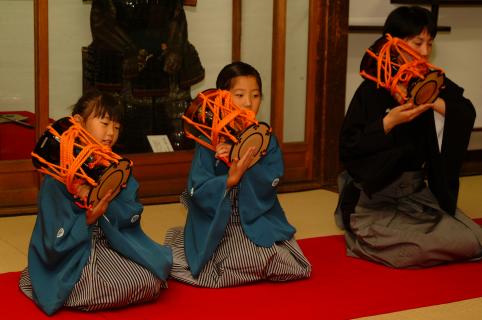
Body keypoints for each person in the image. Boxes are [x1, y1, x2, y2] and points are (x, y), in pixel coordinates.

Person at [335, 6, 482, 268]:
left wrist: (434, 103)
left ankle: (400, 239)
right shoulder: (371, 88)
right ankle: (366, 237)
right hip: (374, 199)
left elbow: (465, 111)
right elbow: (348, 147)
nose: (425, 51)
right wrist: (388, 122)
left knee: (474, 239)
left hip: (416, 196)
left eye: (430, 43)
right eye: (418, 42)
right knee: (429, 247)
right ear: (392, 42)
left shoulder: (431, 81)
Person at [19, 90, 173, 315]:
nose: (111, 133)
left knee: (149, 279)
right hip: (72, 256)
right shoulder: (57, 175)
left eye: (117, 127)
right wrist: (88, 217)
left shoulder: (118, 168)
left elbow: (131, 216)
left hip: (112, 245)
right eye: (104, 123)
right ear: (79, 123)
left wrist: (107, 198)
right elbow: (53, 236)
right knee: (97, 287)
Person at [164, 61, 311, 287]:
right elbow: (197, 187)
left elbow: (273, 179)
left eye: (255, 95)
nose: (249, 103)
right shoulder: (208, 139)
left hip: (256, 215)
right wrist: (228, 179)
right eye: (240, 95)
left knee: (284, 264)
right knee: (239, 264)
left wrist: (249, 165)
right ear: (222, 98)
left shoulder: (265, 137)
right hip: (219, 220)